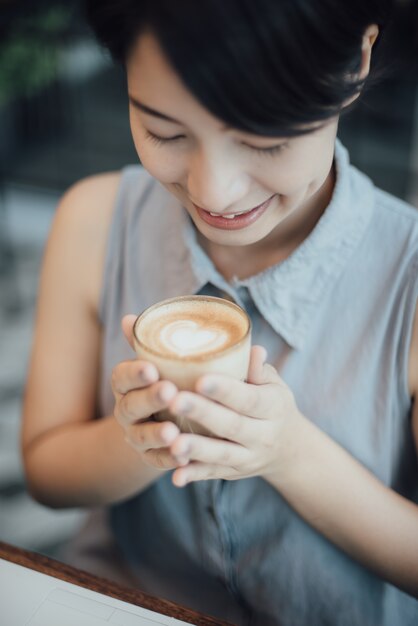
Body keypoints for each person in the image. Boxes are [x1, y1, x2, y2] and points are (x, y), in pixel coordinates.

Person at [21, 1, 418, 624]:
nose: (214, 192)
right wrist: (143, 437)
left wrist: (287, 452)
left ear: (357, 60)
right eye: (166, 133)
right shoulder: (93, 224)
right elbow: (47, 473)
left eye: (264, 140)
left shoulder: (410, 282)